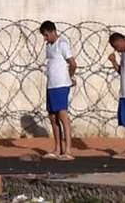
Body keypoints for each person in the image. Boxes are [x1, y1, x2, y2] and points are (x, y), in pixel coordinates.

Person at [40, 20, 77, 161]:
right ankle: (57, 148)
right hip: (51, 85)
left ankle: (68, 150)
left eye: (46, 35)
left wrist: (69, 77)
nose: (45, 38)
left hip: (61, 85)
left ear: (53, 32)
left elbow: (72, 63)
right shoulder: (49, 46)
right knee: (53, 117)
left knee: (63, 116)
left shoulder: (63, 44)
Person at [108, 32, 125, 159]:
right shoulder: (124, 54)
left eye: (116, 46)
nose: (116, 49)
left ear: (122, 41)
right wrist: (114, 62)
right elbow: (122, 71)